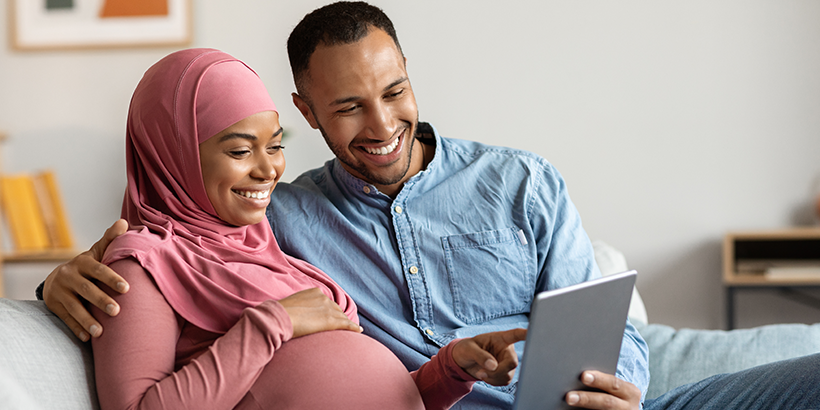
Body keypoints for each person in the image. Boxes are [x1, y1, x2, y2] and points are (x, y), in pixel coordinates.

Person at [40, 2, 820, 409]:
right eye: (347, 107)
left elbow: (610, 325)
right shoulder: (283, 221)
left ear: (410, 73)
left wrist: (619, 389)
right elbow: (180, 251)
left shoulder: (523, 181)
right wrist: (61, 282)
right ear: (308, 112)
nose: (380, 126)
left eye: (394, 91)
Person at [88, 47, 525, 410]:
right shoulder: (141, 265)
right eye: (241, 150)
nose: (268, 170)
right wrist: (270, 323)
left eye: (276, 145)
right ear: (172, 155)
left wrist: (450, 371)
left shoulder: (268, 246)